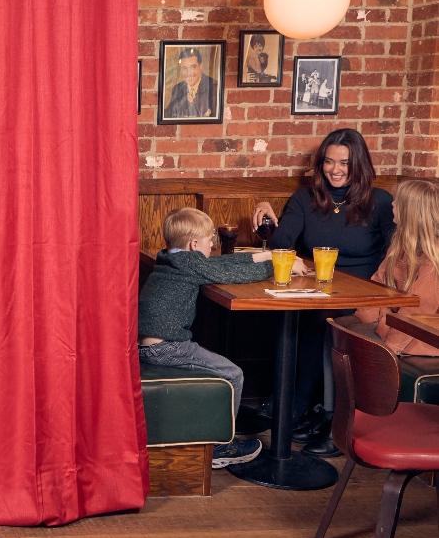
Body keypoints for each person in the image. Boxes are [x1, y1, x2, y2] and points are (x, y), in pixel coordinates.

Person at [252, 128, 395, 456]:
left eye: (344, 162)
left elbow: (395, 252)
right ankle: (308, 410)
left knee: (330, 326)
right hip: (316, 290)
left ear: (359, 164)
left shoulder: (380, 201)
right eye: (329, 162)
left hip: (364, 293)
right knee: (304, 323)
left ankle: (328, 418)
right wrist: (268, 216)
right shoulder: (306, 198)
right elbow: (282, 244)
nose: (335, 169)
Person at [139, 207, 308, 469]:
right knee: (232, 374)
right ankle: (220, 447)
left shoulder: (171, 258)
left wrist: (266, 254)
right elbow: (232, 274)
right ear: (195, 244)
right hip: (167, 348)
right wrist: (277, 265)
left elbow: (218, 264)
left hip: (150, 345)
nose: (213, 245)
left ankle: (218, 433)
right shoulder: (190, 263)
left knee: (225, 369)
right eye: (210, 241)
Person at [353, 179, 439, 357]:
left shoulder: (433, 258)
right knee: (340, 331)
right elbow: (376, 287)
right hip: (390, 326)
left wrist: (387, 346)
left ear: (410, 212)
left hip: (420, 339)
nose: (392, 204)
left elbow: (417, 311)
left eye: (397, 201)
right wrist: (365, 320)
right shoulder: (400, 246)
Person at [165, 47, 218, 119]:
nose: (189, 73)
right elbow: (168, 115)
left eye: (193, 67)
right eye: (184, 68)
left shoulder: (214, 87)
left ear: (200, 66)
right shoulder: (177, 88)